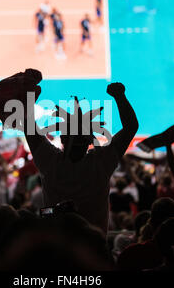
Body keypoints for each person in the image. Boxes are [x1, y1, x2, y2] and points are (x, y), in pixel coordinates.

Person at [21, 80, 138, 234]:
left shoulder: (50, 162)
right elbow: (131, 127)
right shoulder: (101, 163)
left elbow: (28, 124)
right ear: (90, 139)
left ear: (62, 138)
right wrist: (119, 96)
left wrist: (28, 96)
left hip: (58, 249)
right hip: (94, 250)